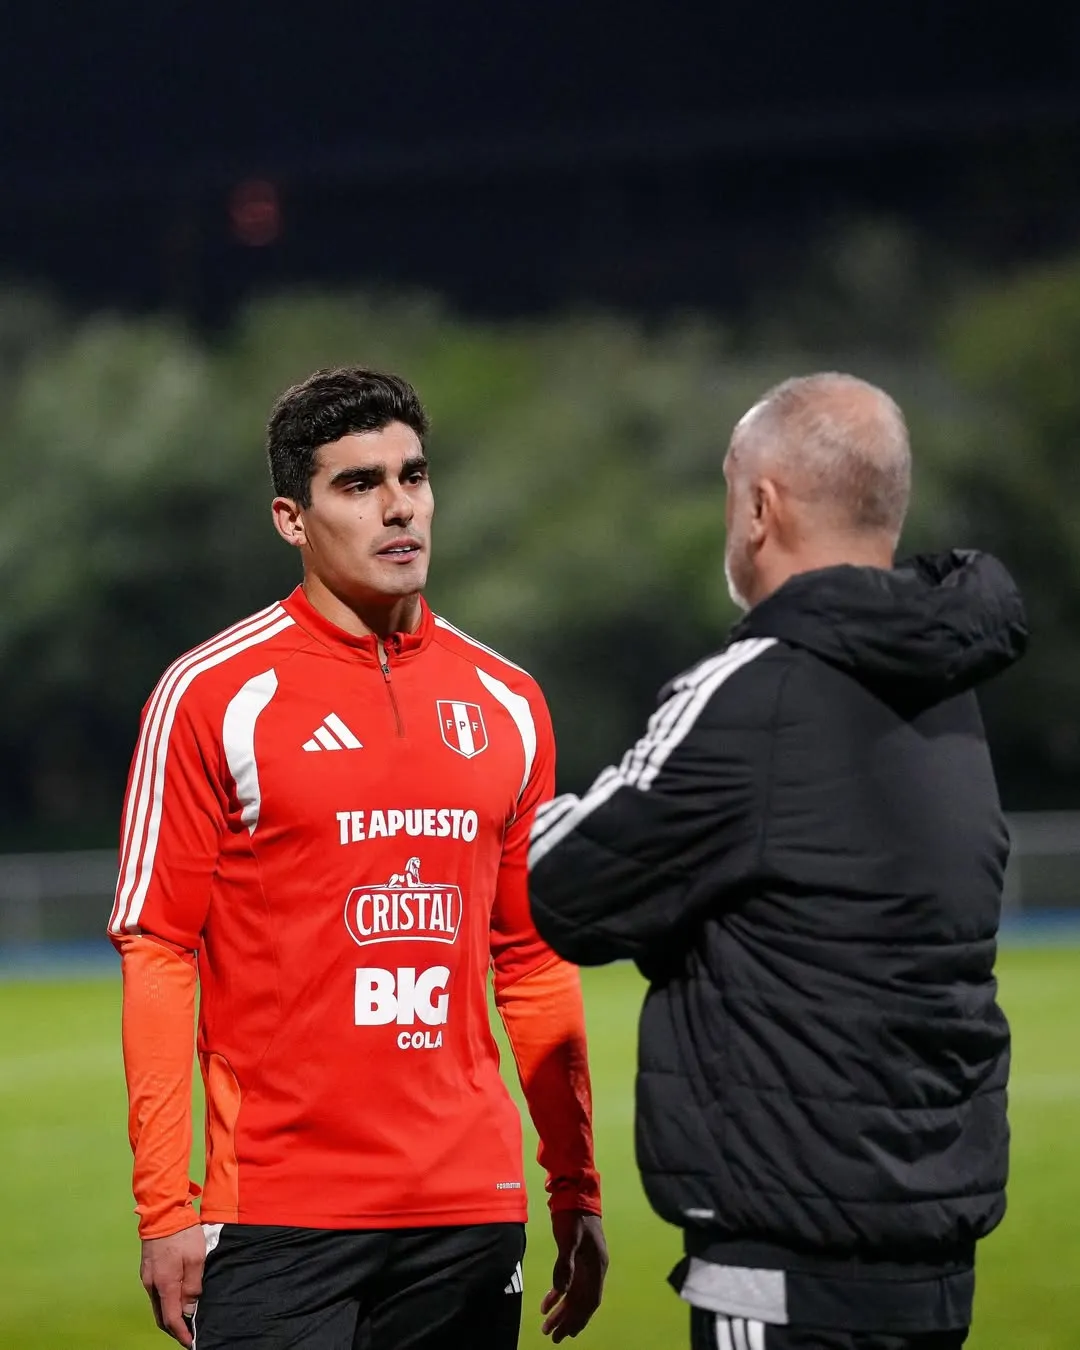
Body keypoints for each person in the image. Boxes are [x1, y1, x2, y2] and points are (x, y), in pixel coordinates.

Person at [108, 367, 607, 1350]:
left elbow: (533, 959)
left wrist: (575, 1186)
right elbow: (158, 949)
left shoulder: (510, 702)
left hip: (468, 1209)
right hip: (278, 1215)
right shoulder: (211, 695)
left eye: (413, 477)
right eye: (358, 484)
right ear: (291, 519)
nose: (398, 508)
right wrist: (168, 1208)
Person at [528, 373, 1027, 1350]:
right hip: (932, 1263)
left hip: (787, 1267)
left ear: (760, 507)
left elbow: (567, 890)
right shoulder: (951, 693)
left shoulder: (755, 693)